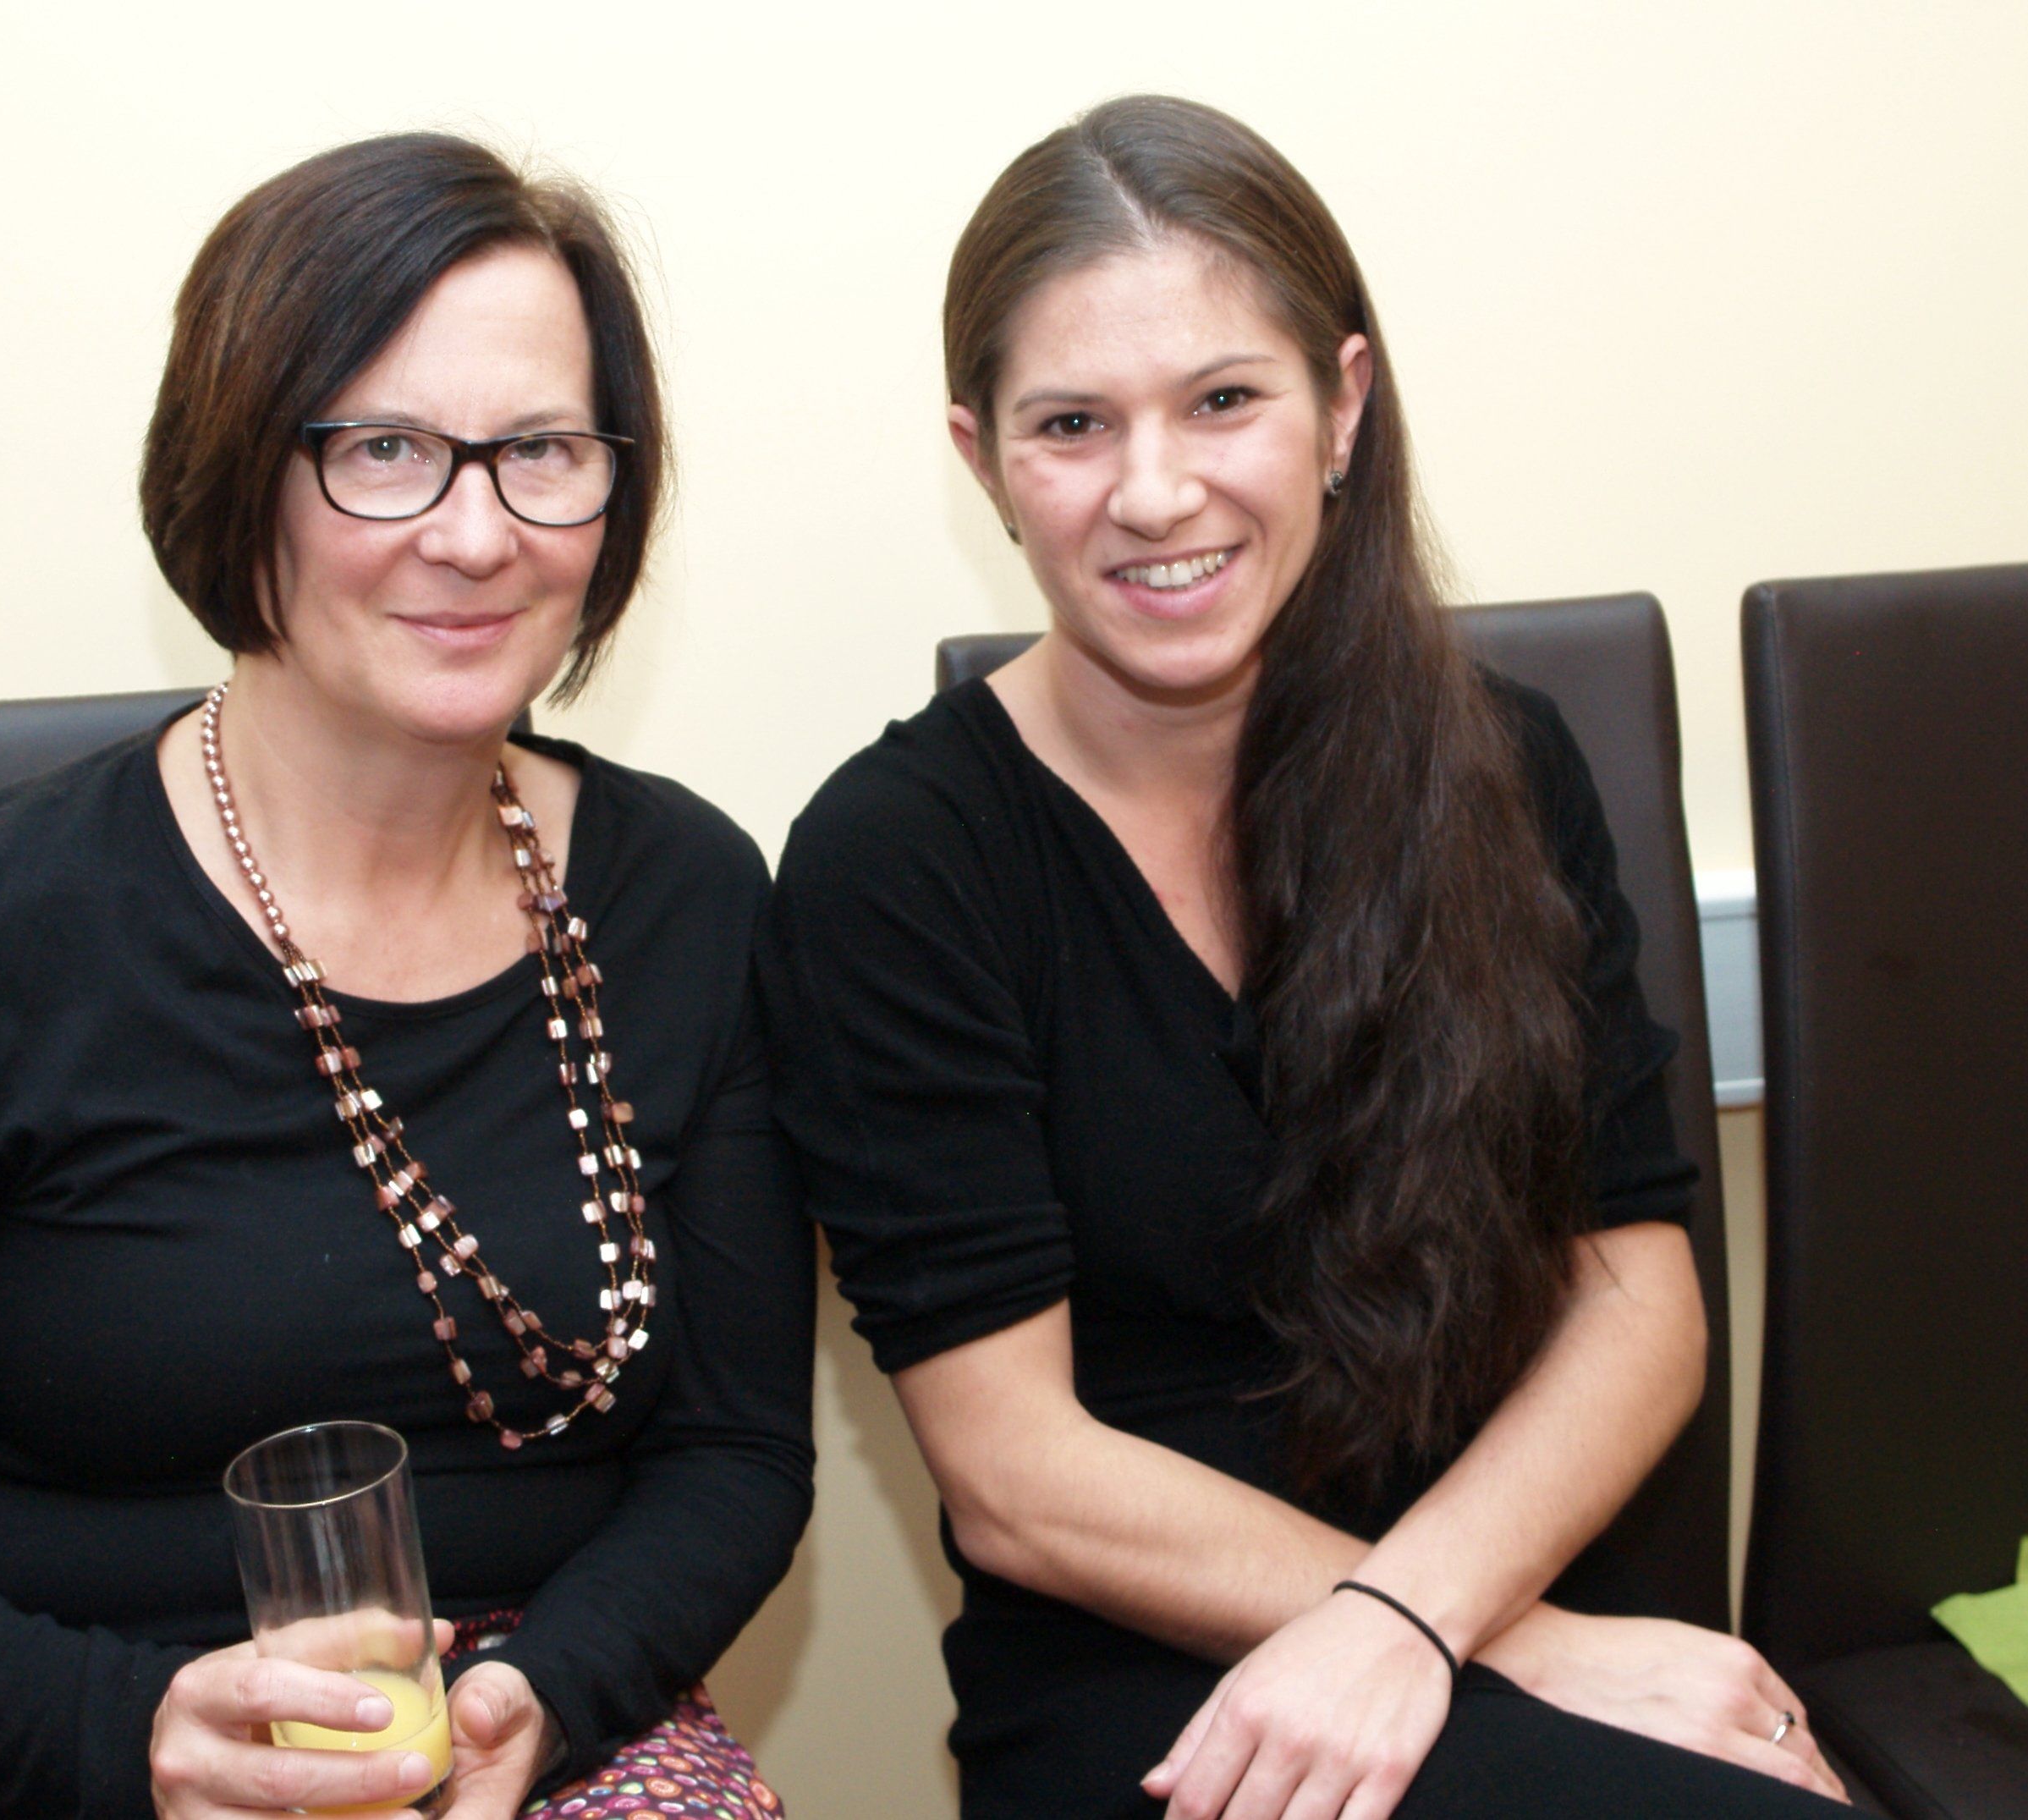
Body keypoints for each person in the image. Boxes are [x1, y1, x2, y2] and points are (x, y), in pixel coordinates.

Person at [0, 133, 811, 1820]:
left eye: (542, 451)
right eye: (384, 450)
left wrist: (538, 1698)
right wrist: (134, 1736)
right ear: (237, 471)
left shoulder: (684, 894)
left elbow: (735, 1454)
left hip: (523, 1716)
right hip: (42, 1724)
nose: (476, 532)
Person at [761, 96, 1846, 1820]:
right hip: (1154, 1684)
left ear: (1342, 404)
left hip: (1498, 1587)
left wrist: (1443, 1617)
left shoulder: (1501, 761)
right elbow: (1017, 1477)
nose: (1153, 491)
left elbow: (1636, 1298)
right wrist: (1492, 1643)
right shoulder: (894, 862)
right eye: (1071, 423)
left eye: (1222, 400)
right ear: (980, 458)